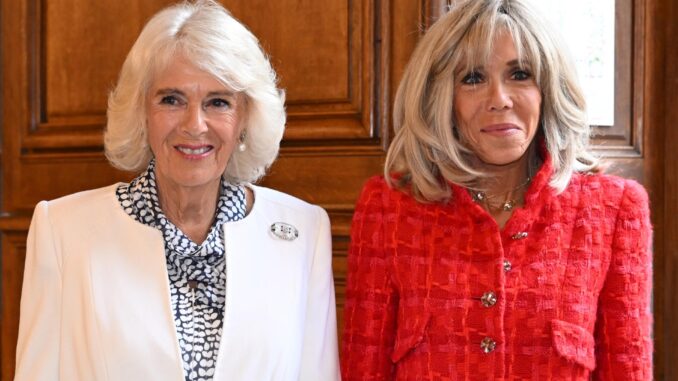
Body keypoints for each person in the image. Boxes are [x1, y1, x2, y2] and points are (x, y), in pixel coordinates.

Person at [14, 1, 340, 380]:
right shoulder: (63, 231)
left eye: (218, 102)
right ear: (141, 111)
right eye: (172, 100)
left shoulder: (303, 232)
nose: (194, 125)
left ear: (246, 118)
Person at [341, 0, 652, 380]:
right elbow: (363, 368)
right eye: (473, 78)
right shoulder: (389, 208)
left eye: (520, 74)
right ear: (442, 98)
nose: (499, 99)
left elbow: (628, 369)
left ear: (548, 89)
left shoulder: (614, 209)